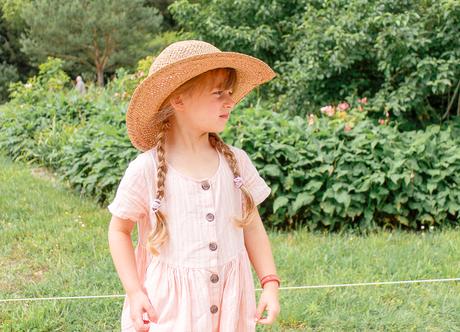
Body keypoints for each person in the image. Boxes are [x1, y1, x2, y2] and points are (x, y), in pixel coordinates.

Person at [107, 40, 280, 332]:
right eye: (217, 93)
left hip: (229, 304)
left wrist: (270, 283)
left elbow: (252, 225)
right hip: (171, 309)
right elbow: (118, 230)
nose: (229, 101)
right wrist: (135, 291)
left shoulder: (236, 162)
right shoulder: (146, 169)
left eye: (230, 93)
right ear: (179, 100)